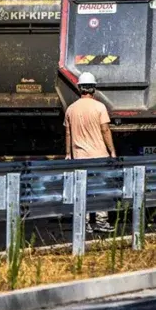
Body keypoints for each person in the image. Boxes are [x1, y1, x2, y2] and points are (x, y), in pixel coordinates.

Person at [64, 72, 116, 232]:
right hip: (99, 156)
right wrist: (112, 151)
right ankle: (101, 222)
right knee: (100, 189)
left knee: (82, 189)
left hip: (80, 157)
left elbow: (68, 133)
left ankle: (84, 222)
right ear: (93, 89)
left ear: (79, 88)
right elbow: (105, 130)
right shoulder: (100, 107)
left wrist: (68, 154)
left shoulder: (71, 109)